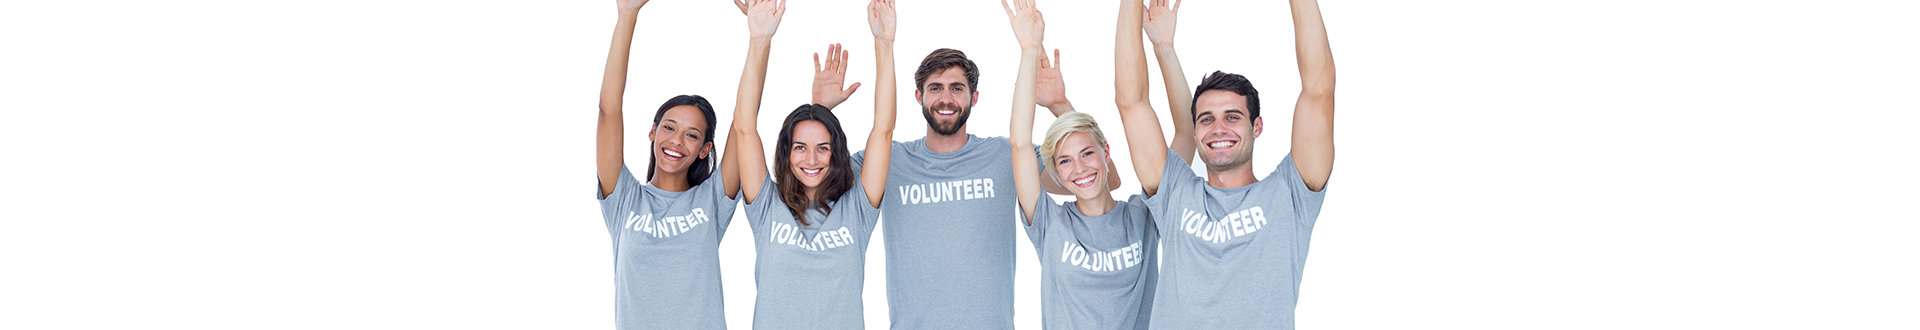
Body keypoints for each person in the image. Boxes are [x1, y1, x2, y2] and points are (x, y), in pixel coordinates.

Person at [807, 4, 1118, 329]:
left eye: (957, 89)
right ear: (918, 96)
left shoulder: (1004, 155)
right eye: (935, 88)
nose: (946, 98)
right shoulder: (889, 160)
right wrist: (819, 109)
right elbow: (817, 183)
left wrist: (1059, 105)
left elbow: (1104, 181)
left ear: (974, 97)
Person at [1113, 0, 1338, 328]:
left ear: (1256, 127)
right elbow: (1131, 102)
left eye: (1232, 117)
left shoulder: (1291, 194)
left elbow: (1319, 91)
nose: (1218, 129)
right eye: (1207, 119)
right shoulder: (1174, 193)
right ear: (1195, 131)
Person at [1000, 0, 1194, 328]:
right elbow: (1020, 144)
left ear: (1107, 151)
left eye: (1087, 154)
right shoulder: (1050, 222)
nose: (1079, 168)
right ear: (1057, 173)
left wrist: (1164, 47)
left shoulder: (1143, 216)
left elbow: (1188, 134)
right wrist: (1029, 50)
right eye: (1065, 161)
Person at [591, 0, 770, 328]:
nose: (675, 141)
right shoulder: (624, 199)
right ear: (653, 132)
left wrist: (760, 40)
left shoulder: (712, 200)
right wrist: (627, 15)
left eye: (691, 135)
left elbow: (745, 122)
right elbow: (608, 112)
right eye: (669, 128)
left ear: (704, 150)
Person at [730, 0, 898, 328]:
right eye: (800, 147)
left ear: (836, 153)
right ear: (786, 153)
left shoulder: (857, 208)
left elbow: (883, 130)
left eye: (823, 148)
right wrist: (758, 40)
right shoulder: (767, 205)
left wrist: (885, 44)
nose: (810, 159)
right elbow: (744, 126)